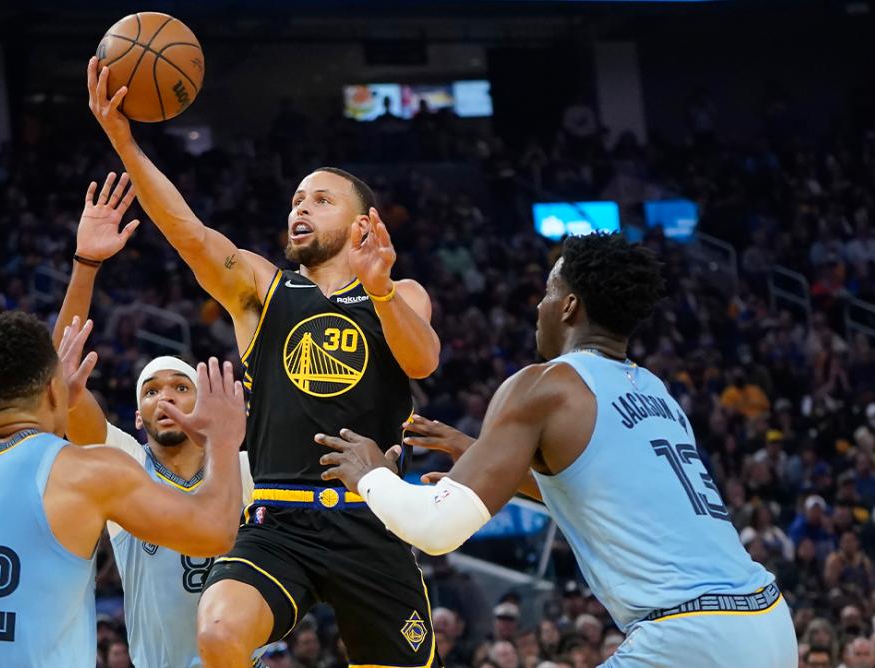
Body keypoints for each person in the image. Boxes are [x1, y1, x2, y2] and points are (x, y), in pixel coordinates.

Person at [88, 58, 443, 667]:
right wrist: (124, 139)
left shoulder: (400, 294)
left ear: (363, 224)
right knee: (220, 631)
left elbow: (423, 361)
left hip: (374, 520)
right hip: (280, 517)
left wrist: (379, 288)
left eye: (321, 200)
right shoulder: (262, 286)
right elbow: (189, 232)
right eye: (297, 199)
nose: (299, 208)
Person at [318, 233, 797, 667]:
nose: (540, 307)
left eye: (548, 292)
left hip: (689, 637)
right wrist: (480, 454)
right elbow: (602, 500)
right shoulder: (655, 391)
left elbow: (436, 530)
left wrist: (370, 475)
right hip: (768, 622)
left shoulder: (543, 385)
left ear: (568, 306)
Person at [0, 309, 245, 667]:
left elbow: (12, 470)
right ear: (54, 389)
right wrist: (221, 439)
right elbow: (216, 532)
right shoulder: (84, 474)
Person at [49, 173, 256, 668]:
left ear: (205, 404)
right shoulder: (122, 465)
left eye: (181, 388)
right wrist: (86, 264)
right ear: (138, 419)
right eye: (152, 391)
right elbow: (62, 372)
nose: (166, 397)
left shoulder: (244, 467)